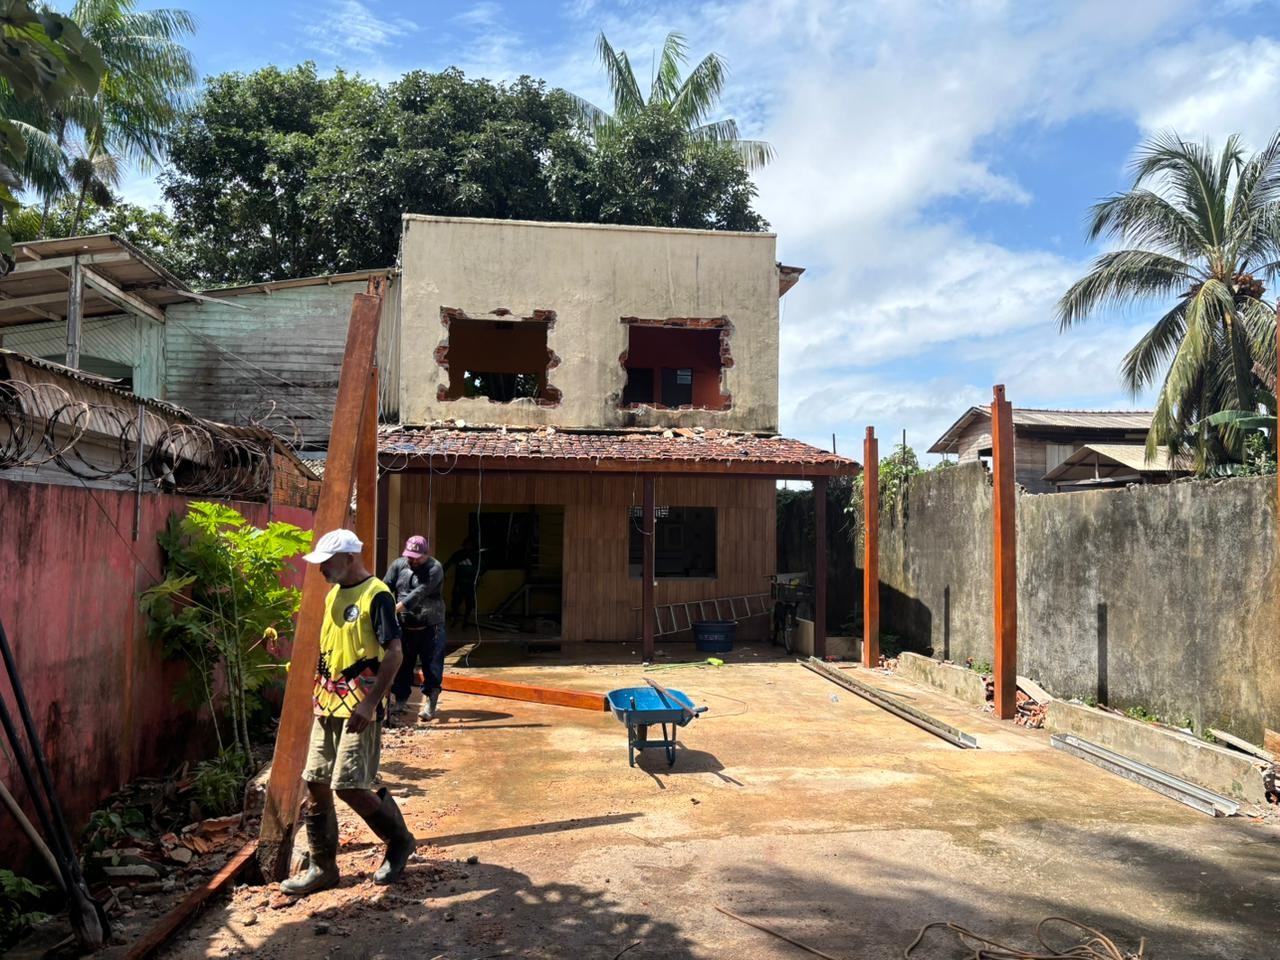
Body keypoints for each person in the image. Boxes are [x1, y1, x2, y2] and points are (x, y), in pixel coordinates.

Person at [280, 529, 416, 896]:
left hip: (359, 708)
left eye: (327, 562)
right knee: (316, 781)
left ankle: (400, 841)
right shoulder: (333, 595)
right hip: (327, 703)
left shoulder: (377, 596)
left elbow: (395, 653)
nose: (322, 569)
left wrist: (370, 704)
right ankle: (323, 867)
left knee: (350, 786)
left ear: (349, 558)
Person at [383, 535, 446, 722]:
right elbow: (385, 586)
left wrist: (397, 607)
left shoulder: (435, 569)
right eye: (410, 556)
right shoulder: (398, 565)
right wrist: (381, 604)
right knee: (403, 664)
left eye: (417, 557)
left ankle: (431, 702)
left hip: (430, 624)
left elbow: (421, 592)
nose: (413, 560)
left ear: (426, 554)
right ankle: (401, 700)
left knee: (432, 665)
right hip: (405, 625)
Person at [444, 535, 483, 628]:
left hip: (471, 583)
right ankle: (455, 620)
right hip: (459, 583)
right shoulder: (458, 554)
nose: (468, 546)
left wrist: (479, 577)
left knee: (469, 603)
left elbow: (483, 568)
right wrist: (442, 573)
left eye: (470, 545)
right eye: (467, 544)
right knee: (456, 602)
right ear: (463, 545)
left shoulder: (476, 556)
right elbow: (448, 564)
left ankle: (466, 620)